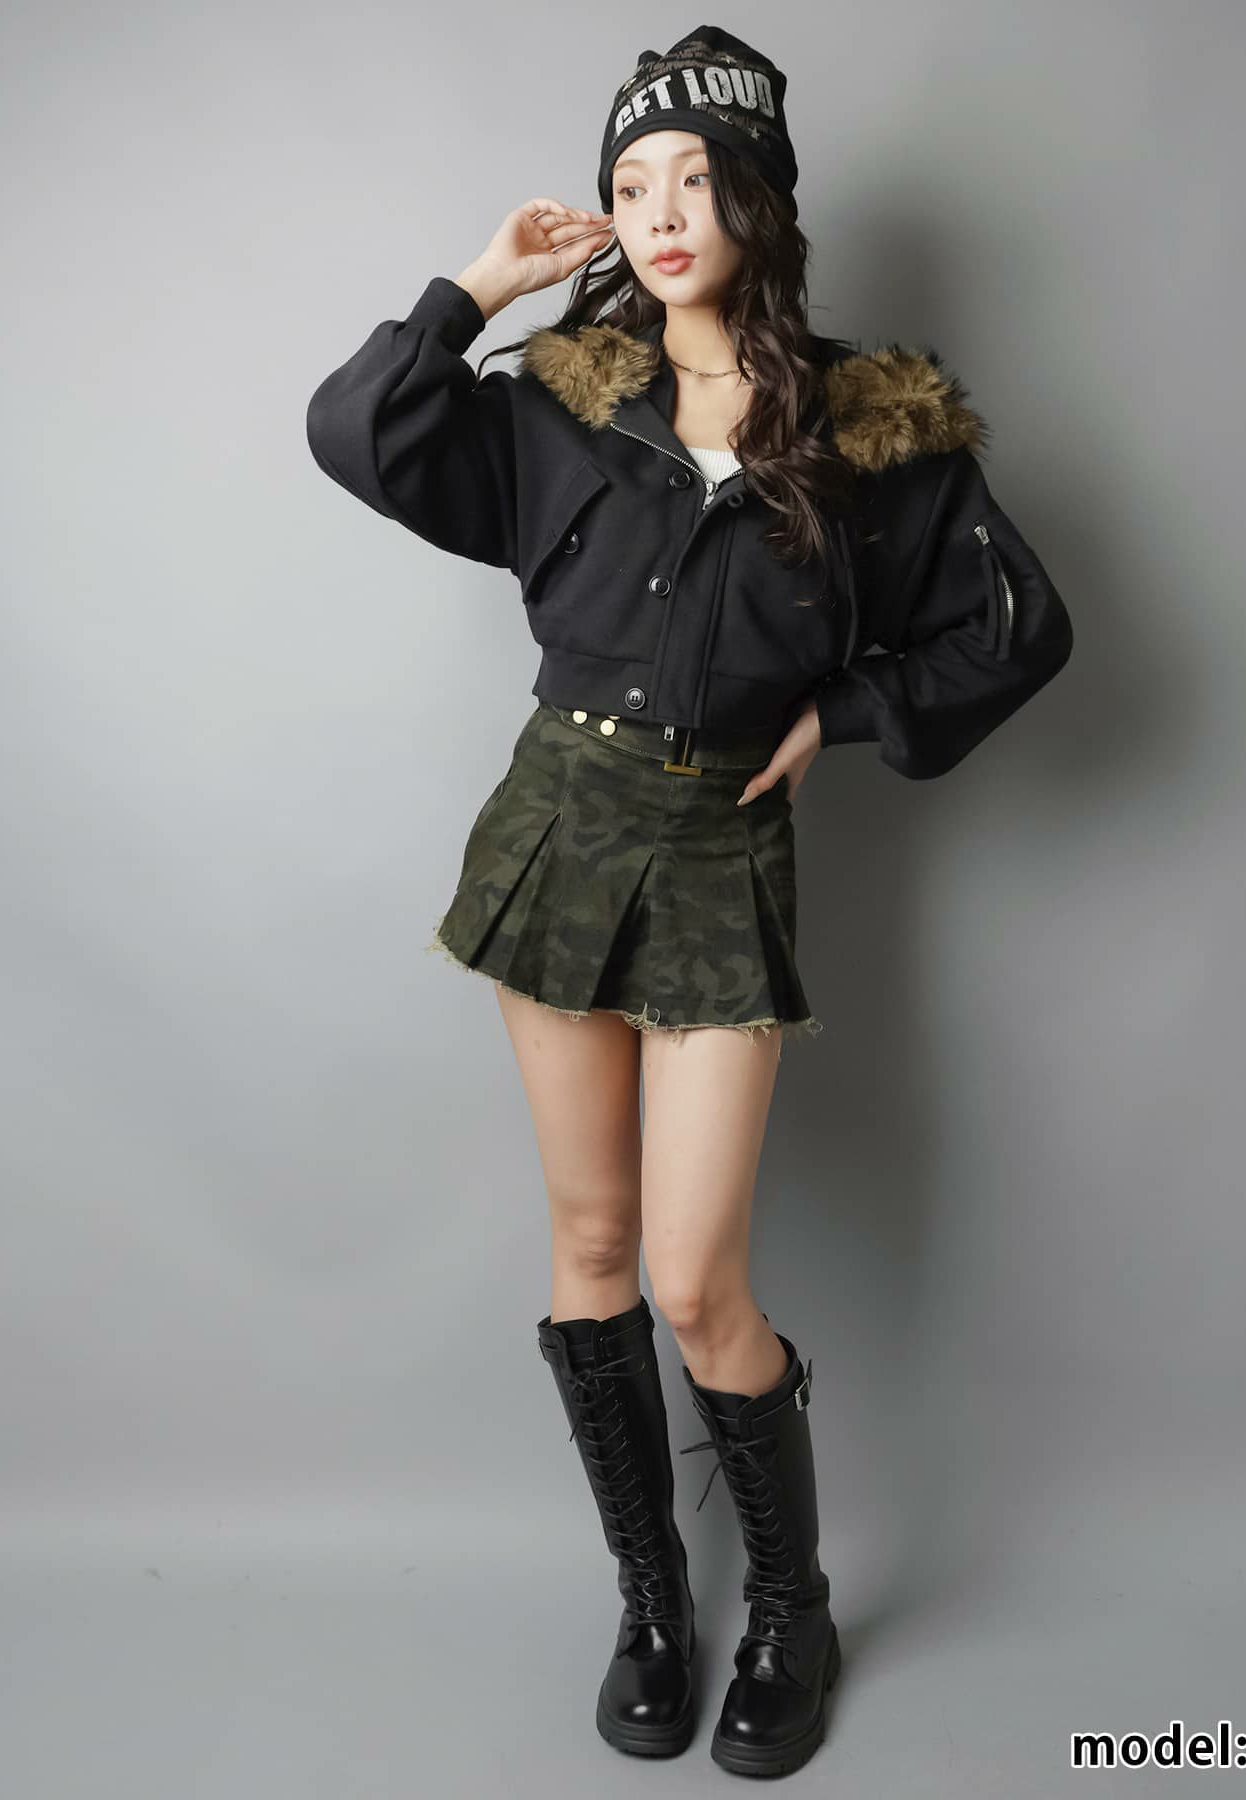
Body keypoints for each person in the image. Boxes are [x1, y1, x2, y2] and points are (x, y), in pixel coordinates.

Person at [305, 25, 1073, 1777]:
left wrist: (845, 712)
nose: (659, 214)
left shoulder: (875, 428)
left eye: (695, 181)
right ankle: (652, 1602)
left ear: (759, 203)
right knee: (588, 1251)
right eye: (631, 183)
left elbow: (1016, 627)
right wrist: (478, 285)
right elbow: (356, 427)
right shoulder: (563, 401)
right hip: (561, 826)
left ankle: (791, 1608)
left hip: (723, 848)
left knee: (692, 1274)